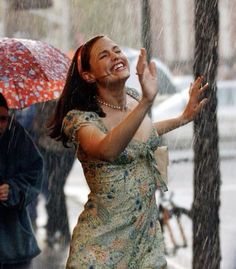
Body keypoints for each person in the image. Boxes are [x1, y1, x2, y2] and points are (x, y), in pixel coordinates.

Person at [48, 35, 208, 269]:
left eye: (116, 50)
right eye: (104, 55)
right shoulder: (79, 118)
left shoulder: (133, 99)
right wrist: (146, 101)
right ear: (88, 75)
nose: (115, 56)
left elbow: (143, 135)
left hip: (145, 243)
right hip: (101, 249)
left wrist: (183, 118)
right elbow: (108, 149)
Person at [0, 93, 43, 268]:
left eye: (3, 119)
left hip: (14, 241)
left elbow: (34, 174)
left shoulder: (16, 135)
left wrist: (12, 190)